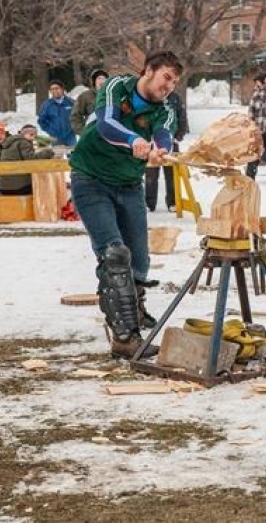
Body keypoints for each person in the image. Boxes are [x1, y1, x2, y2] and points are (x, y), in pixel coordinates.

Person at [69, 50, 183, 359]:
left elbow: (163, 134)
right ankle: (124, 337)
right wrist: (133, 141)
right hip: (90, 178)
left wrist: (159, 149)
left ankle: (135, 308)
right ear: (148, 71)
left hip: (129, 184)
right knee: (114, 254)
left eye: (174, 81)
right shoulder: (116, 86)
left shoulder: (166, 109)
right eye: (166, 78)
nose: (170, 86)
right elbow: (107, 124)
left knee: (140, 260)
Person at [145, 90, 189, 211]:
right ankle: (149, 203)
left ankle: (173, 202)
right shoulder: (151, 96)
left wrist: (178, 136)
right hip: (152, 141)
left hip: (171, 140)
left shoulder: (175, 98)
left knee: (172, 174)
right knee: (151, 174)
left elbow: (182, 117)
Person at [0, 124, 55, 195]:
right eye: (31, 135)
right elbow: (31, 160)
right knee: (42, 188)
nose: (33, 137)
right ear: (24, 134)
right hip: (17, 186)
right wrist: (48, 152)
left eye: (34, 135)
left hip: (3, 187)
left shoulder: (11, 142)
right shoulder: (23, 142)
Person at [37, 79, 76, 147]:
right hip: (55, 137)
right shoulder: (47, 105)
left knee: (73, 156)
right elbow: (41, 121)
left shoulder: (72, 102)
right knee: (57, 156)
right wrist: (51, 131)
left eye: (57, 88)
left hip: (70, 137)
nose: (55, 91)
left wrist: (74, 128)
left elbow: (78, 117)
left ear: (62, 89)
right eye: (52, 89)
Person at [70, 68, 108, 136]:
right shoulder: (85, 96)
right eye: (99, 78)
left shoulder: (112, 95)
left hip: (110, 135)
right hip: (92, 134)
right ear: (94, 81)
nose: (102, 81)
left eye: (104, 78)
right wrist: (82, 132)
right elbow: (75, 116)